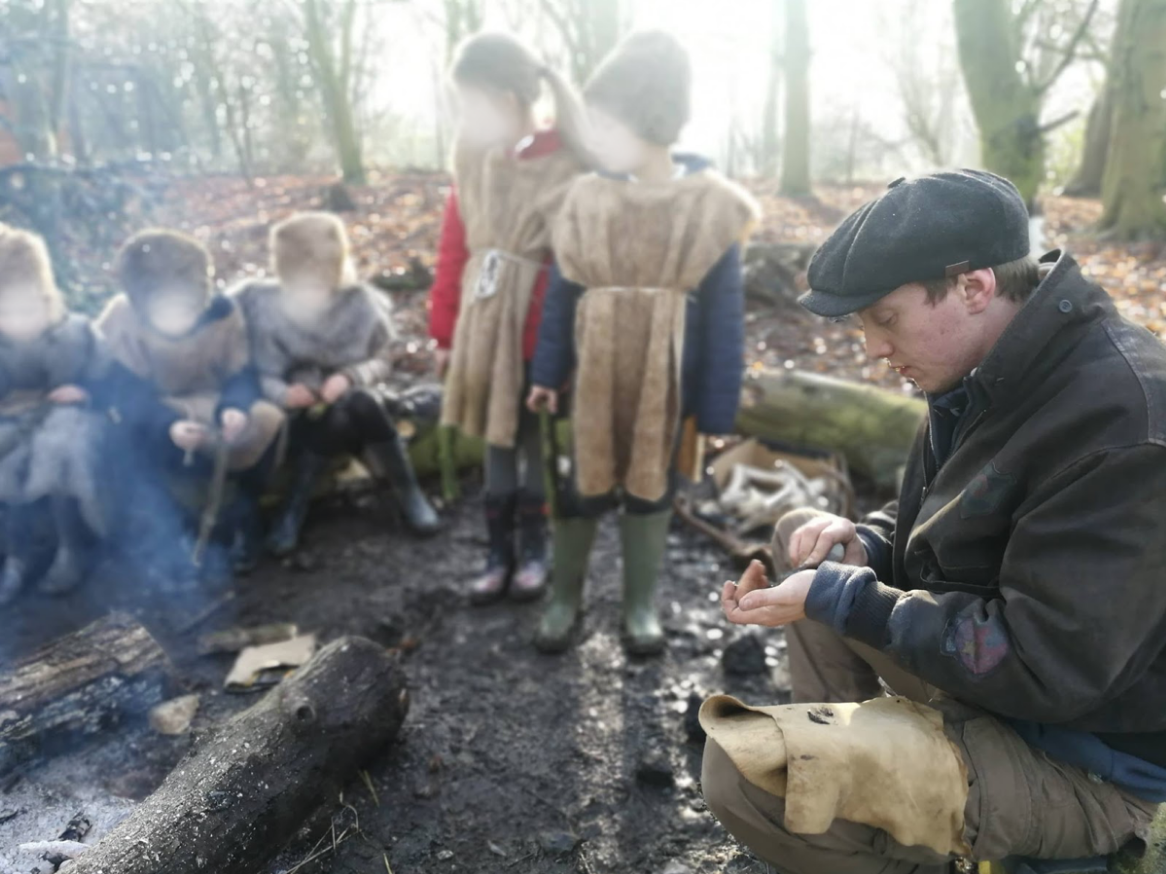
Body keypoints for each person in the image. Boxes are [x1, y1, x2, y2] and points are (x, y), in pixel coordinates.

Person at [701, 170, 1166, 871]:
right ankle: (849, 776)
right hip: (999, 693)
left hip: (1086, 763)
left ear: (972, 287)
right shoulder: (990, 367)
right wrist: (867, 542)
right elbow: (948, 515)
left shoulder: (1121, 423)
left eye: (885, 319)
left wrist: (848, 598)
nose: (872, 348)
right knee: (808, 541)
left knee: (747, 772)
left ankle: (895, 834)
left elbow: (1047, 665)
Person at [528, 32, 756, 656]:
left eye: (606, 123)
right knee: (582, 482)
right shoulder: (586, 198)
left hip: (668, 375)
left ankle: (639, 604)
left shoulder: (711, 206)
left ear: (649, 118)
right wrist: (546, 372)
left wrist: (717, 411)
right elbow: (562, 292)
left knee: (651, 485)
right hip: (595, 372)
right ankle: (565, 596)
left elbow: (725, 315)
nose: (594, 137)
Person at [429, 32, 589, 604]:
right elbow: (454, 249)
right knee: (495, 440)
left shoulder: (565, 163)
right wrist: (444, 333)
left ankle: (536, 547)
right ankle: (498, 552)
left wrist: (556, 357)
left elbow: (574, 268)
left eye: (471, 104)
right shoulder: (474, 161)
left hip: (533, 333)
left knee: (531, 440)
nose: (465, 117)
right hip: (481, 328)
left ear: (504, 99)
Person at [233, 211, 439, 554]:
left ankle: (408, 493)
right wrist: (284, 394)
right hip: (300, 422)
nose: (312, 291)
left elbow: (383, 360)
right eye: (303, 283)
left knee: (357, 403)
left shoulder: (359, 302)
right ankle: (294, 506)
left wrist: (349, 377)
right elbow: (261, 373)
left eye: (320, 281)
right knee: (336, 415)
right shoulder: (266, 308)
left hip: (362, 413)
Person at [97, 228, 286, 576]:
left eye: (185, 309)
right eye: (165, 311)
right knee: (122, 441)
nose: (179, 320)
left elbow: (241, 373)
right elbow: (124, 392)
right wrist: (167, 426)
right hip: (156, 409)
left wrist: (234, 407)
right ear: (142, 303)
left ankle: (244, 517)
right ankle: (168, 530)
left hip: (212, 403)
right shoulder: (122, 319)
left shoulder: (223, 313)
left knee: (267, 420)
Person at [0, 225, 115, 603]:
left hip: (71, 415)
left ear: (46, 299)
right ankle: (16, 556)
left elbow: (111, 380)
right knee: (6, 458)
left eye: (27, 310)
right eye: (6, 312)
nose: (18, 321)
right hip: (15, 416)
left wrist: (87, 393)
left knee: (61, 449)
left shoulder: (76, 333)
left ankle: (71, 547)